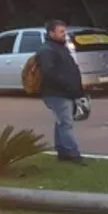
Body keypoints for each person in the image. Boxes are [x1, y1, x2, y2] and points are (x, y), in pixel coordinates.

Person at [35, 19, 86, 165]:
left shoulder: (60, 47)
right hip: (56, 93)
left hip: (65, 91)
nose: (65, 34)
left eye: (65, 31)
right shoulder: (47, 50)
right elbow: (49, 73)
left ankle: (63, 151)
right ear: (51, 33)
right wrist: (68, 86)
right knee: (66, 123)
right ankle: (73, 153)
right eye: (61, 32)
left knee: (61, 122)